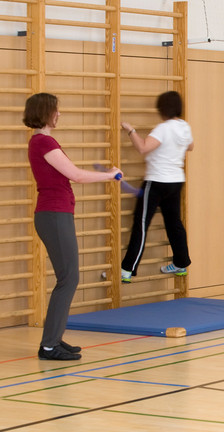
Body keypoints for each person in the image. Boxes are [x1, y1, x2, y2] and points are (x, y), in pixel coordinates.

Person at [24, 93, 123, 360]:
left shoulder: (42, 141)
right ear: (46, 112)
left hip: (57, 214)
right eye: (56, 110)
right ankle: (49, 345)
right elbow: (76, 175)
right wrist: (110, 175)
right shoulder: (43, 142)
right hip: (53, 215)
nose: (59, 114)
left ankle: (53, 339)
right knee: (68, 278)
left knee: (68, 278)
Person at [119, 91, 194, 283]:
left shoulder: (163, 128)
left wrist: (131, 130)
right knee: (174, 223)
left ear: (162, 109)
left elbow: (143, 148)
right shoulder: (184, 127)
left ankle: (127, 269)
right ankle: (181, 263)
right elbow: (190, 146)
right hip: (176, 181)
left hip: (157, 181)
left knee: (141, 224)